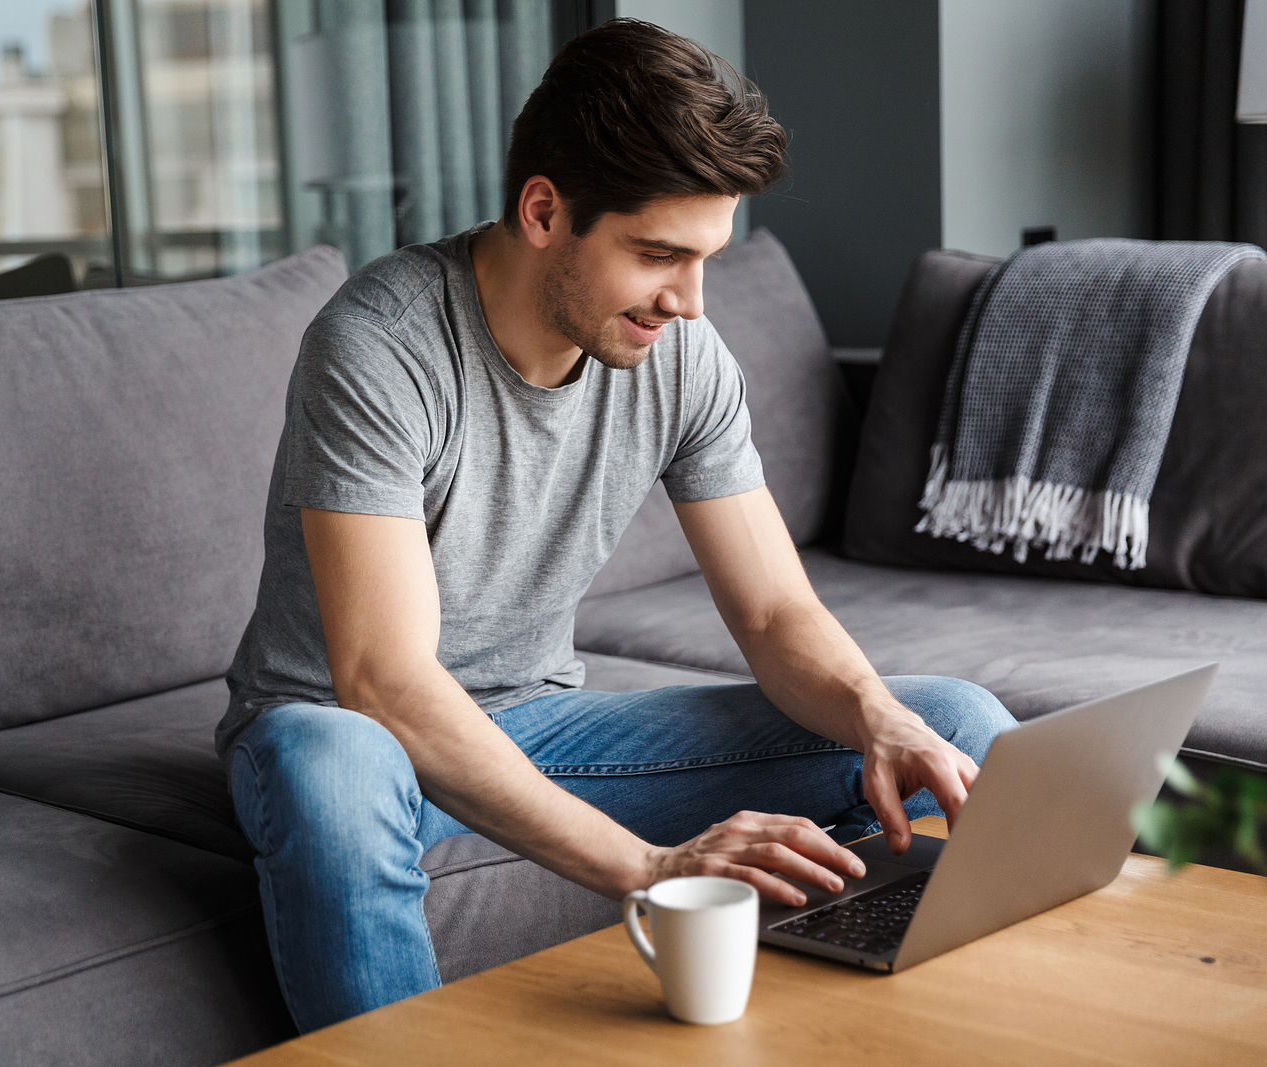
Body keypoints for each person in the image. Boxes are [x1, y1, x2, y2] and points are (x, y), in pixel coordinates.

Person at [217, 18, 1016, 1032]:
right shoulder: (378, 348)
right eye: (656, 254)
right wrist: (649, 867)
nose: (686, 300)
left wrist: (873, 709)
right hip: (343, 732)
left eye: (705, 258)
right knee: (330, 766)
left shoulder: (681, 352)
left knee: (950, 723)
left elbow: (772, 610)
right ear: (544, 210)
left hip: (539, 723)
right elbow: (385, 681)